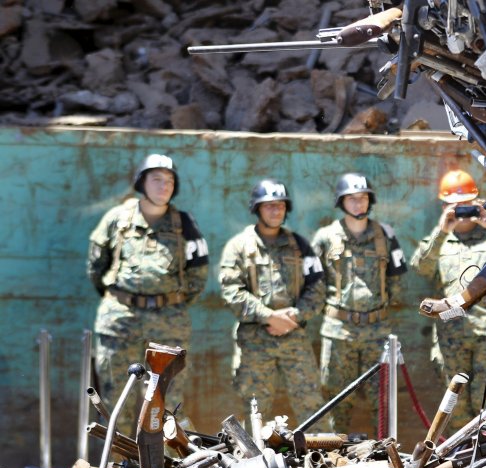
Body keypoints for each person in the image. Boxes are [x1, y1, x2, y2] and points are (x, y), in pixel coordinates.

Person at [87, 154, 209, 432]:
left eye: (169, 180)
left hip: (169, 322)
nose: (163, 185)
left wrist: (169, 302)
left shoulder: (184, 224)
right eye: (156, 179)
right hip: (120, 321)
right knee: (116, 396)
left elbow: (198, 274)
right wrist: (123, 300)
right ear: (142, 182)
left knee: (166, 399)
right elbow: (96, 267)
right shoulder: (117, 219)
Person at [411, 169, 486, 427]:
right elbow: (420, 267)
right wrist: (441, 232)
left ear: (477, 204)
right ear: (445, 206)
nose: (462, 212)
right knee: (454, 409)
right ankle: (458, 460)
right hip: (451, 335)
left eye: (467, 205)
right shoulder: (439, 241)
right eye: (455, 206)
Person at [218, 179, 326, 422]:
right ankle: (252, 458)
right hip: (255, 342)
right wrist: (268, 316)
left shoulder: (300, 246)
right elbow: (231, 292)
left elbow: (317, 288)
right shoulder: (239, 246)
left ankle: (319, 456)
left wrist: (295, 316)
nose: (276, 211)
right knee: (254, 410)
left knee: (311, 404)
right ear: (257, 209)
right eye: (269, 206)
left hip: (294, 336)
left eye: (280, 205)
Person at [311, 173, 407, 432]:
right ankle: (332, 457)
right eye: (351, 199)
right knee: (337, 399)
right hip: (338, 332)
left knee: (383, 398)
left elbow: (397, 278)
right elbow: (313, 282)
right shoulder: (324, 237)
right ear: (341, 202)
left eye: (363, 198)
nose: (358, 204)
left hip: (377, 332)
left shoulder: (385, 234)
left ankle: (387, 457)